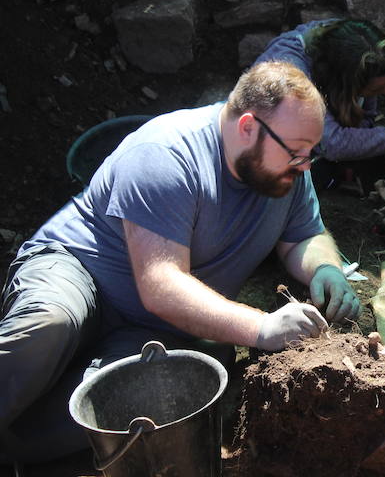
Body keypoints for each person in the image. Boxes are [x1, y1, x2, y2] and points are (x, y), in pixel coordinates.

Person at [0, 60, 361, 464]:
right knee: (49, 325)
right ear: (247, 127)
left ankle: (17, 451)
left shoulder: (287, 168)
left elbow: (304, 235)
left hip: (153, 327)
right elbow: (162, 285)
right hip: (80, 272)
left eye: (311, 153)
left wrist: (325, 268)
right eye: (297, 153)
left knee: (156, 396)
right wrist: (262, 327)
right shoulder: (166, 156)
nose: (306, 165)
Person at [255, 18, 385, 191]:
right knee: (316, 176)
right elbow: (333, 145)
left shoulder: (351, 42)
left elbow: (366, 117)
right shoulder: (289, 78)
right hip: (265, 146)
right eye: (376, 90)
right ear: (345, 85)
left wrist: (366, 138)